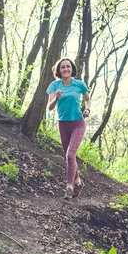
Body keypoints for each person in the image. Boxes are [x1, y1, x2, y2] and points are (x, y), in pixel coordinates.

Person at [46, 58, 91, 199]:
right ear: (59, 70)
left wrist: (88, 110)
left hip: (78, 123)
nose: (65, 69)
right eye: (63, 67)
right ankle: (78, 182)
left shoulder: (79, 84)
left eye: (68, 67)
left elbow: (88, 99)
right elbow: (50, 107)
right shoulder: (54, 85)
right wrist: (57, 98)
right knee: (69, 157)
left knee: (70, 155)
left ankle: (69, 187)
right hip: (63, 124)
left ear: (72, 69)